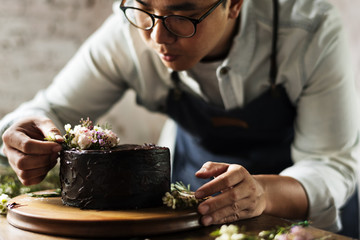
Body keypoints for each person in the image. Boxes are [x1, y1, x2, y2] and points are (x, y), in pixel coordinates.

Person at [0, 0, 359, 237]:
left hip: (299, 209)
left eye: (182, 15)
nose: (157, 37)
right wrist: (26, 132)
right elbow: (49, 109)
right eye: (143, 8)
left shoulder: (308, 32)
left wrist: (264, 192)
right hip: (197, 203)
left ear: (233, 4)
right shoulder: (128, 33)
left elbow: (331, 163)